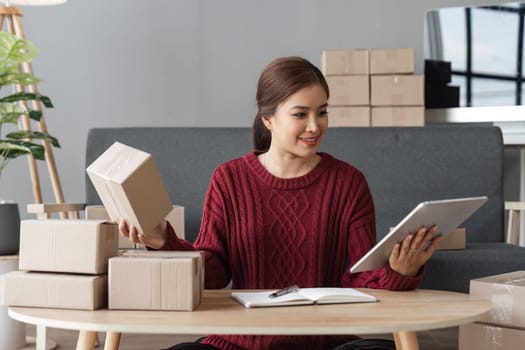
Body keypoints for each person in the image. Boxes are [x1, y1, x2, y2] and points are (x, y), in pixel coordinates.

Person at [119, 56, 443, 350]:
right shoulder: (229, 179)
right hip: (241, 343)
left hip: (327, 343)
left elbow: (357, 277)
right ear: (268, 119)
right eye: (301, 114)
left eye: (322, 112)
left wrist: (402, 271)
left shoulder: (348, 182)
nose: (315, 126)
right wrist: (164, 242)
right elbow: (213, 273)